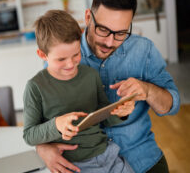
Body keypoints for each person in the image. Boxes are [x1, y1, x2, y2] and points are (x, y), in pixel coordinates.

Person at [36, 0, 180, 173]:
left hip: (141, 158)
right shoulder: (62, 56)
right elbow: (40, 121)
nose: (109, 42)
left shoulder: (144, 51)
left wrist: (147, 90)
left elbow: (171, 105)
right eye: (103, 30)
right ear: (88, 17)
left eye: (121, 33)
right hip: (85, 165)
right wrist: (42, 148)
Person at [23, 10, 135, 173]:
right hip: (74, 166)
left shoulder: (90, 75)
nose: (70, 64)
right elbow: (29, 135)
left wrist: (121, 112)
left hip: (108, 154)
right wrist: (56, 125)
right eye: (61, 59)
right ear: (42, 55)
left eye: (76, 54)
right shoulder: (35, 87)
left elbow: (105, 116)